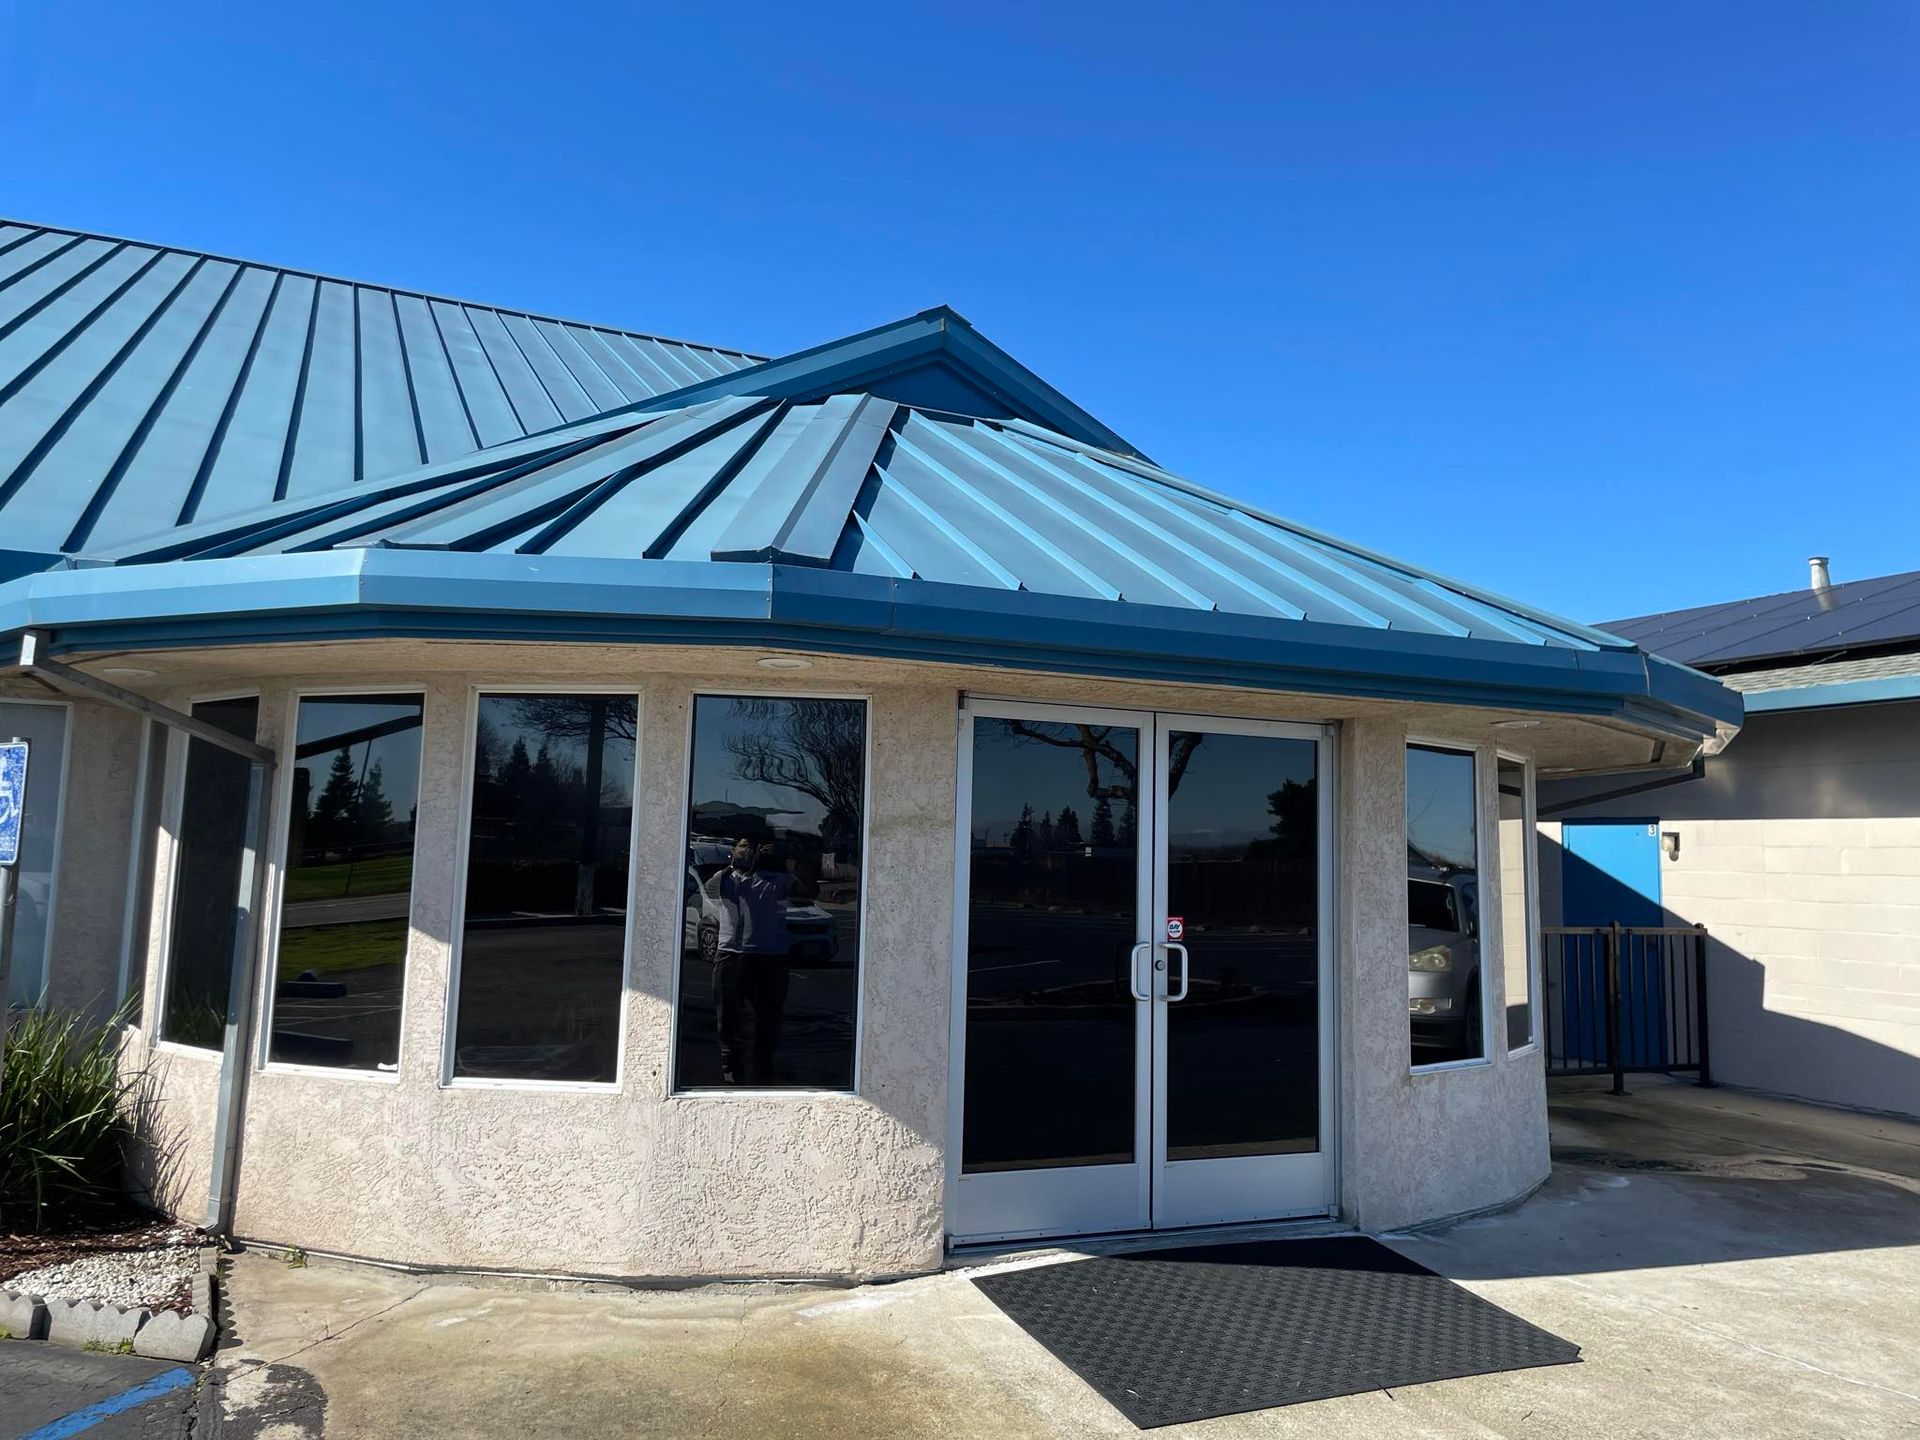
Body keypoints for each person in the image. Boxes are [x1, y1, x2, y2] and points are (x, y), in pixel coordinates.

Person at [712, 839, 809, 1085]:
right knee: (729, 1016)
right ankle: (730, 1065)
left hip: (770, 957)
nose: (750, 851)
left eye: (754, 848)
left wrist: (783, 864)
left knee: (768, 1017)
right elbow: (714, 889)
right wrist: (737, 865)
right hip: (734, 954)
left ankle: (763, 1067)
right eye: (744, 846)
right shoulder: (732, 877)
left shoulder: (777, 879)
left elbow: (807, 891)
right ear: (733, 851)